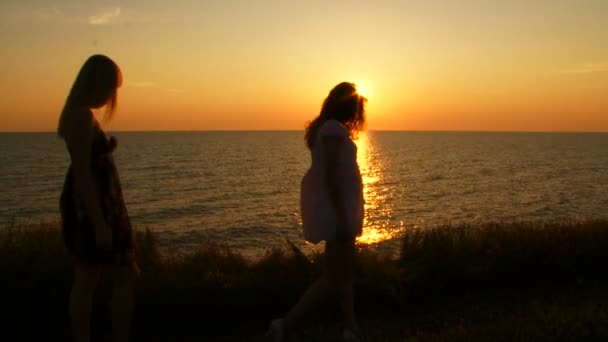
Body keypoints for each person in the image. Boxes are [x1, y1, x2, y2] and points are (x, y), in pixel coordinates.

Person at [267, 82, 367, 341]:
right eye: (356, 108)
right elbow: (333, 176)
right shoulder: (333, 129)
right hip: (338, 212)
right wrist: (344, 216)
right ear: (347, 107)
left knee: (342, 274)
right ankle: (285, 325)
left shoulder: (327, 127)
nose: (358, 115)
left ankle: (350, 328)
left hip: (339, 209)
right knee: (334, 277)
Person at [58, 54, 137, 342]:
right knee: (90, 278)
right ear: (96, 84)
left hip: (103, 205)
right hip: (93, 208)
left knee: (103, 276)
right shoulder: (79, 116)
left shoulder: (80, 114)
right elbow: (82, 175)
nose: (111, 96)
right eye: (109, 88)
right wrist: (100, 222)